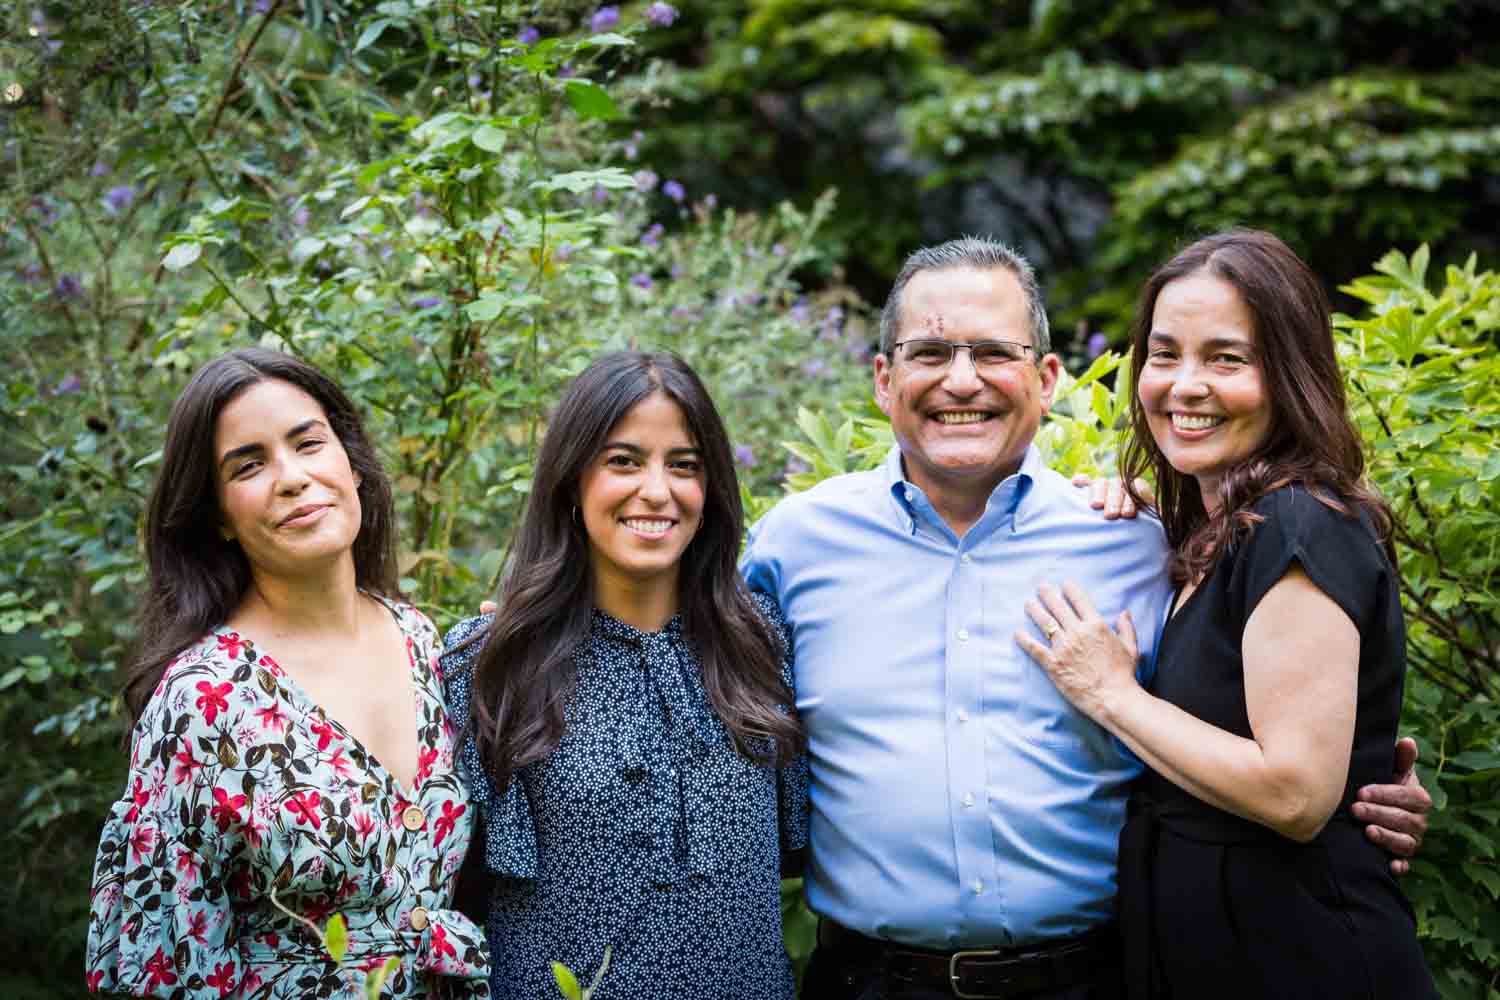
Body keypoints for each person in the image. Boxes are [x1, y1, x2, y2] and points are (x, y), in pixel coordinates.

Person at [739, 237, 1432, 1000]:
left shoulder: (1138, 543)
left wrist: (1358, 791)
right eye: (929, 351)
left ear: (1047, 378)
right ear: (883, 379)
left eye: (994, 352)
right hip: (871, 982)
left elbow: (1289, 752)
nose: (961, 380)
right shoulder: (791, 547)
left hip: (1100, 980)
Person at [1017, 230, 1436, 998]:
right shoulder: (1215, 534)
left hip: (1300, 958)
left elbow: (1295, 795)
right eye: (1164, 354)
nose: (1183, 385)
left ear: (1290, 374)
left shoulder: (1301, 528)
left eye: (1226, 359)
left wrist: (1112, 693)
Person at [85, 349, 489, 998]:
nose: (293, 477)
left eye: (308, 444)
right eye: (249, 464)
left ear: (352, 464)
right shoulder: (202, 703)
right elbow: (161, 970)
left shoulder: (416, 637)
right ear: (217, 513)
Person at [442, 351, 808, 1000]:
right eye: (624, 461)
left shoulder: (761, 645)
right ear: (571, 479)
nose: (657, 490)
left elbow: (795, 854)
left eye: (684, 465)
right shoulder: (489, 663)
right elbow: (454, 895)